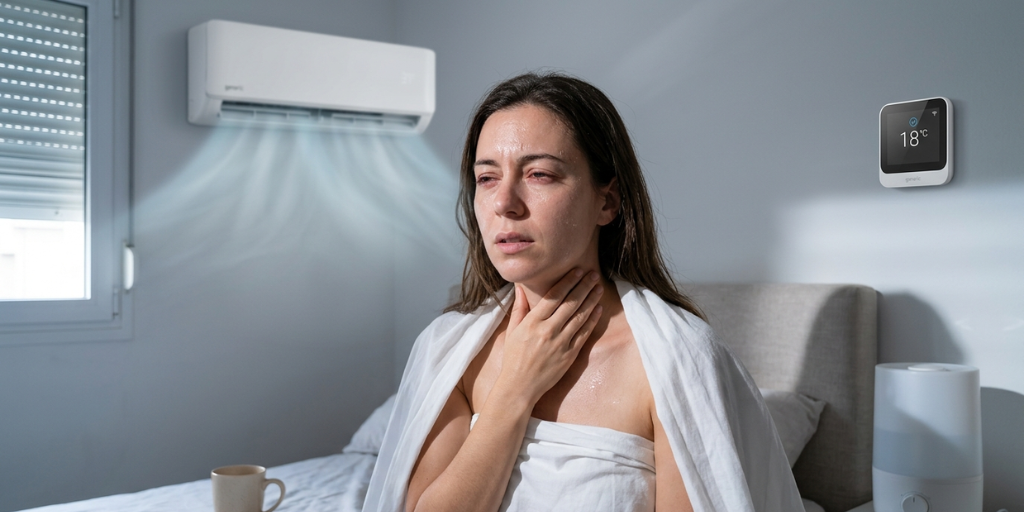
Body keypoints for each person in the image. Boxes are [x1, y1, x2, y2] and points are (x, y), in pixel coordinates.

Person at [362, 73, 802, 512]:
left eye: (540, 174)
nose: (504, 203)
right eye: (487, 178)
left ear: (607, 202)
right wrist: (513, 391)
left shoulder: (673, 359)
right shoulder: (447, 351)